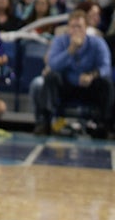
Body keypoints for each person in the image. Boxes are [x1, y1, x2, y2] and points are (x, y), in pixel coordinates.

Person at [30, 8, 114, 137]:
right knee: (51, 77)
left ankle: (105, 125)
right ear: (68, 28)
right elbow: (52, 64)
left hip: (89, 85)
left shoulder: (97, 42)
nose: (75, 30)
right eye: (72, 26)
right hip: (66, 86)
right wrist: (70, 50)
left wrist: (91, 76)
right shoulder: (60, 41)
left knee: (106, 83)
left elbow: (106, 67)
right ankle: (45, 122)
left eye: (79, 27)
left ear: (86, 28)